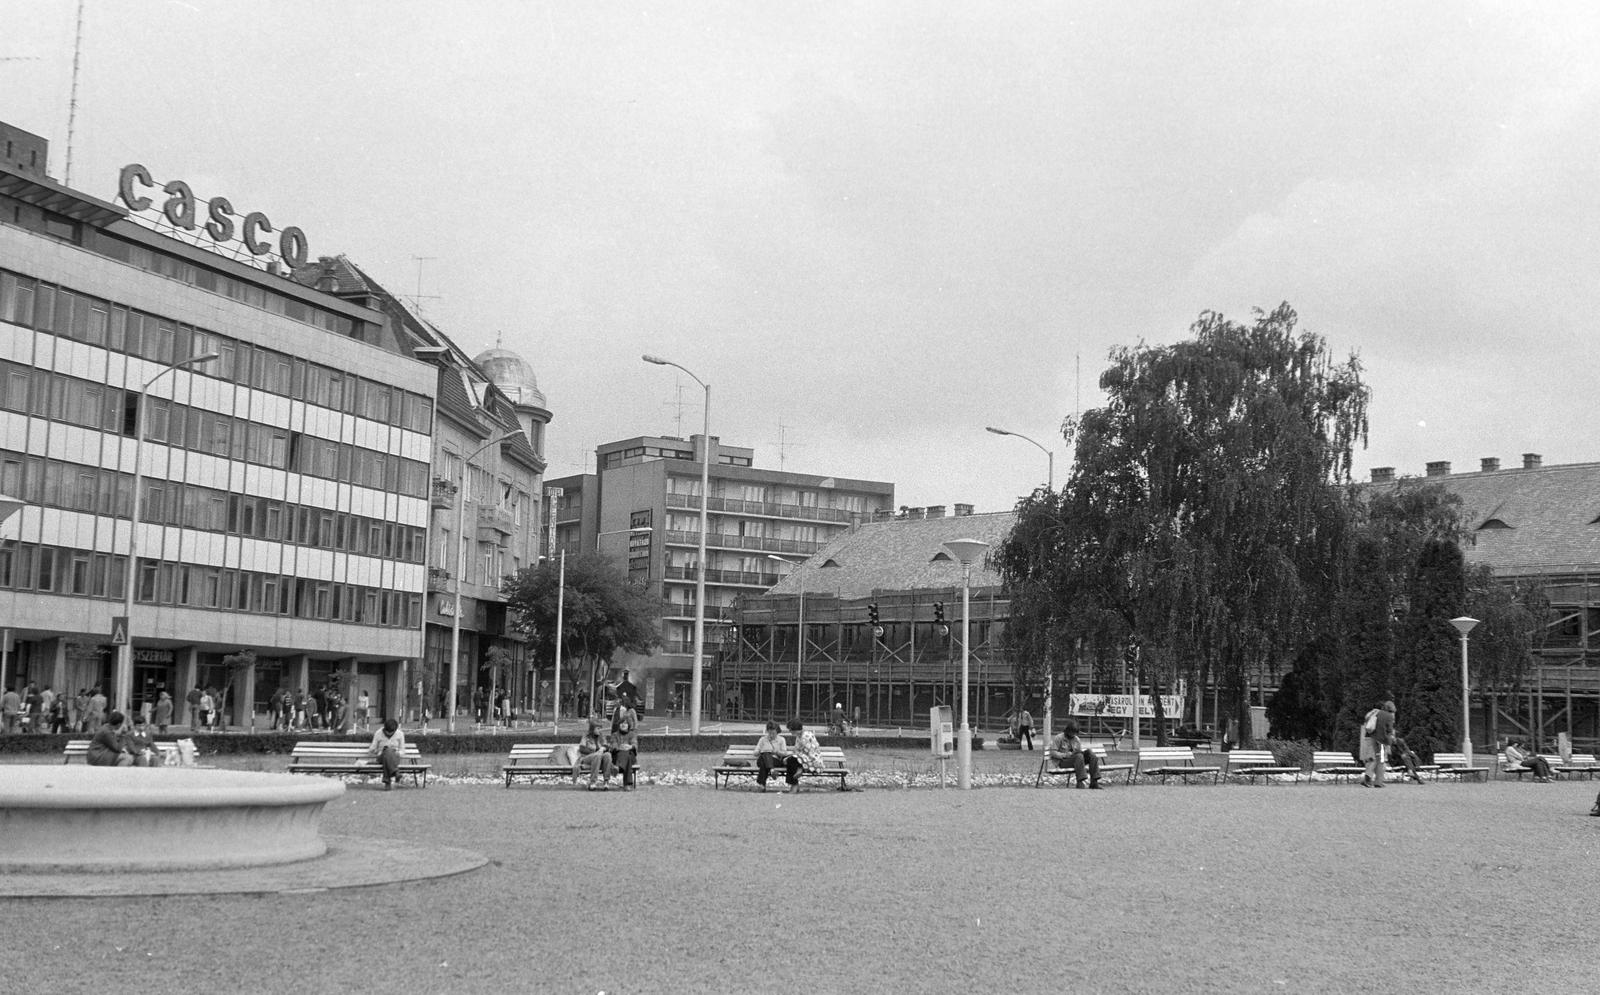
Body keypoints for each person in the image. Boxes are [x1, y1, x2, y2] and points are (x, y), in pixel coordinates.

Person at [1049, 721, 1101, 788]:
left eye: (1075, 732)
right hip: (1063, 761)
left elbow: (1079, 752)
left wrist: (1081, 752)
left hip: (1076, 760)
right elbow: (1053, 753)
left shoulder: (1077, 739)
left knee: (1091, 754)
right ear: (1067, 730)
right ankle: (1080, 782)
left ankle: (1094, 781)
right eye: (1072, 732)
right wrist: (1065, 755)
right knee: (1079, 756)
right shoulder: (1059, 738)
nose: (1073, 734)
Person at [1360, 699, 1396, 787]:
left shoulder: (1377, 713)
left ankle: (1370, 779)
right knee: (1381, 760)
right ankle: (1376, 781)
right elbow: (1389, 730)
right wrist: (1390, 739)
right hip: (1382, 740)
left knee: (1374, 759)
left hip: (1372, 738)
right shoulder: (1389, 716)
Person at [754, 720, 799, 792]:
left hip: (776, 760)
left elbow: (785, 753)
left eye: (773, 733)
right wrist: (760, 751)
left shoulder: (781, 740)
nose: (771, 735)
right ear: (767, 731)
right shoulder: (762, 739)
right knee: (765, 755)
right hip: (762, 758)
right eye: (769, 733)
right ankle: (772, 770)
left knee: (764, 763)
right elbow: (755, 753)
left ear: (777, 731)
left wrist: (776, 752)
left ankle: (762, 785)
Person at [575, 715, 615, 790]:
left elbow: (606, 746)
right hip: (587, 758)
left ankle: (606, 782)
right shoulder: (586, 736)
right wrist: (595, 752)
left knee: (608, 755)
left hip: (599, 757)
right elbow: (582, 748)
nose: (600, 730)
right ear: (592, 729)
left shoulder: (602, 736)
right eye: (598, 728)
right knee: (597, 755)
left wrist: (603, 748)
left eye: (600, 728)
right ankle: (593, 782)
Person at [784, 718, 823, 793]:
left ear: (794, 729)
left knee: (791, 760)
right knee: (791, 760)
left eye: (790, 730)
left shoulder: (805, 736)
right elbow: (797, 750)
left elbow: (805, 752)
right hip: (806, 758)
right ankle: (795, 782)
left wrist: (789, 757)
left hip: (812, 761)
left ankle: (794, 784)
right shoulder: (800, 735)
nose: (790, 732)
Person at [367, 717, 406, 790]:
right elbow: (372, 749)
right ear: (384, 729)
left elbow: (402, 750)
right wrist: (379, 751)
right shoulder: (378, 733)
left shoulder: (400, 734)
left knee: (388, 752)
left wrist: (397, 753)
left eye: (392, 732)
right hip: (381, 757)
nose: (389, 733)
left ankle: (387, 782)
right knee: (387, 751)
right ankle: (395, 772)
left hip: (395, 757)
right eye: (387, 732)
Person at [610, 696, 639, 790]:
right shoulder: (615, 734)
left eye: (625, 724)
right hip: (618, 755)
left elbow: (635, 744)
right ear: (619, 725)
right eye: (622, 723)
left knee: (628, 754)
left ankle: (618, 767)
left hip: (629, 754)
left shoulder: (631, 734)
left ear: (628, 725)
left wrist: (629, 747)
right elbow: (613, 745)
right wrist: (620, 747)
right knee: (627, 757)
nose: (623, 725)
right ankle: (627, 784)